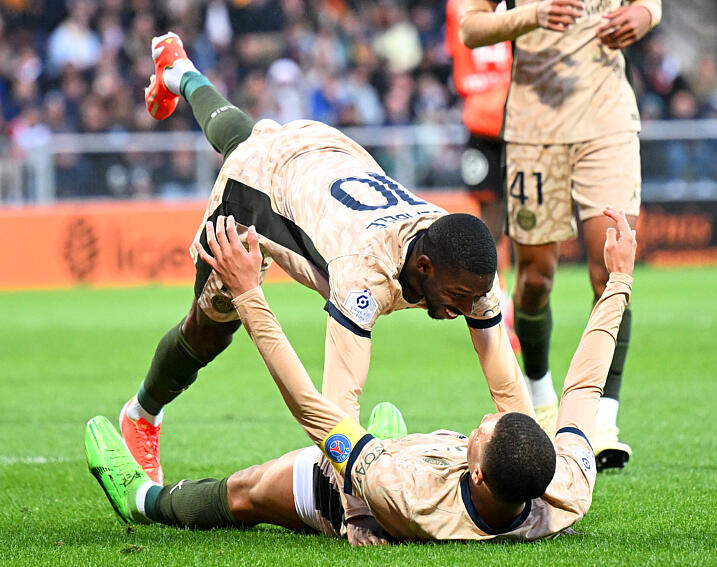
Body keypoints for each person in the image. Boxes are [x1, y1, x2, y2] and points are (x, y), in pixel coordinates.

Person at [119, 33, 533, 502]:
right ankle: (142, 413)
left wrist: (528, 467)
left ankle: (178, 71)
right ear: (423, 267)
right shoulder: (363, 272)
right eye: (457, 299)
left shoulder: (466, 262)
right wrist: (357, 505)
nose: (464, 310)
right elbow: (333, 407)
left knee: (245, 134)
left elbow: (504, 381)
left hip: (328, 153)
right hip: (259, 191)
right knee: (210, 329)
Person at [86, 207, 637, 543]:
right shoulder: (566, 487)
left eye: (485, 432)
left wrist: (251, 294)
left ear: (478, 478)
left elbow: (312, 408)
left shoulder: (403, 492)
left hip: (370, 487)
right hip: (407, 462)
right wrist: (617, 281)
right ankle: (387, 439)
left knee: (248, 494)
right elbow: (584, 387)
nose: (487, 419)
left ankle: (141, 497)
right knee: (380, 443)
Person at [458, 0, 662, 469]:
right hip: (534, 129)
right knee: (534, 279)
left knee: (609, 269)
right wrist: (532, 15)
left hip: (608, 124)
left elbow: (648, 3)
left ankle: (602, 419)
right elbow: (471, 29)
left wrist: (646, 15)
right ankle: (541, 396)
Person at [445, 0, 519, 354]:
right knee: (501, 225)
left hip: (486, 116)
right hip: (510, 114)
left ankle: (503, 306)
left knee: (495, 225)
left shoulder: (456, 5)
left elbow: (458, 53)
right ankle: (502, 304)